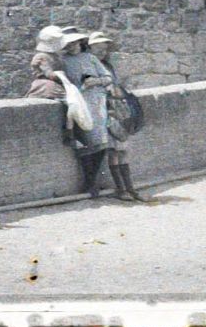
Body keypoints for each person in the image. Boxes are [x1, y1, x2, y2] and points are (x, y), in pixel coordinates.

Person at [56, 28, 115, 198]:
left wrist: (95, 81)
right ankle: (90, 182)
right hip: (80, 104)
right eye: (68, 44)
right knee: (85, 143)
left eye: (74, 43)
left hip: (97, 104)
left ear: (80, 43)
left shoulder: (90, 58)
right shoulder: (63, 61)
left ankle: (93, 180)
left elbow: (108, 78)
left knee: (101, 143)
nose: (72, 46)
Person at [87, 31, 142, 202]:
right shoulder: (89, 66)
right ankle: (121, 189)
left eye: (104, 49)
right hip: (104, 111)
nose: (102, 52)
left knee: (123, 150)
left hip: (117, 111)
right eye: (98, 49)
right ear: (90, 49)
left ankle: (130, 188)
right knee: (113, 152)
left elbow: (115, 85)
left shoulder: (107, 66)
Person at [26, 25, 69, 99]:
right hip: (46, 86)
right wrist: (62, 76)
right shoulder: (41, 56)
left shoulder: (56, 56)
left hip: (57, 84)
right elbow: (50, 74)